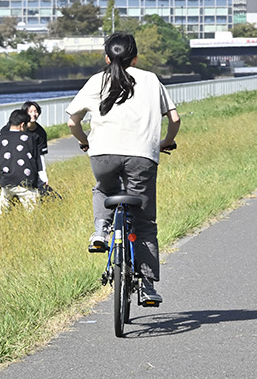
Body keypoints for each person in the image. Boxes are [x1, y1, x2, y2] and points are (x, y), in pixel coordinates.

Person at [66, 32, 180, 306]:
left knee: (104, 188)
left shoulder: (97, 80)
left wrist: (85, 142)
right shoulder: (151, 79)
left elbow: (72, 121)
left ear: (107, 58)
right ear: (136, 58)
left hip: (102, 154)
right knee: (144, 223)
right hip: (143, 156)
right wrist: (165, 142)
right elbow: (174, 118)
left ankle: (100, 231)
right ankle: (148, 285)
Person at [0, 108, 42, 214]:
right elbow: (37, 161)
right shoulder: (29, 138)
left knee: (2, 209)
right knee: (33, 212)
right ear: (23, 125)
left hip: (7, 181)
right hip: (26, 182)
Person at [0, 101, 51, 192]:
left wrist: (43, 176)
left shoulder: (40, 133)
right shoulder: (14, 126)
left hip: (28, 165)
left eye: (36, 111)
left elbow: (40, 157)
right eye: (30, 111)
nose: (34, 114)